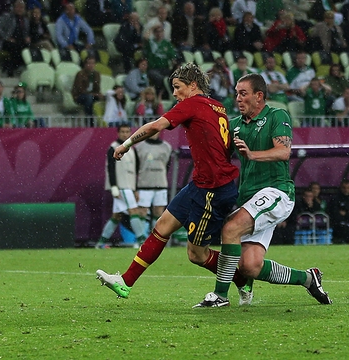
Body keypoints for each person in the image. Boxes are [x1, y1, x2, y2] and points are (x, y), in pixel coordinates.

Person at [96, 63, 245, 299]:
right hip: (201, 183)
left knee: (196, 254)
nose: (174, 94)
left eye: (177, 87)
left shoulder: (192, 104)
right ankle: (125, 282)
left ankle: (241, 278)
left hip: (212, 189)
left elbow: (156, 126)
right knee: (162, 226)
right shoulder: (218, 107)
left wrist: (125, 145)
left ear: (193, 86)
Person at [195, 73, 332, 307]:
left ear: (259, 96)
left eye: (243, 93)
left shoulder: (277, 115)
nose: (238, 98)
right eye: (236, 93)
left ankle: (220, 295)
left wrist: (251, 154)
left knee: (230, 228)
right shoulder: (234, 126)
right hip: (248, 200)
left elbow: (283, 151)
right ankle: (309, 278)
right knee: (250, 265)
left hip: (277, 193)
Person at [96, 123, 147, 249]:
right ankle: (142, 241)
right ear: (118, 133)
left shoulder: (132, 150)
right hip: (121, 186)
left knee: (117, 216)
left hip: (129, 186)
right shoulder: (113, 147)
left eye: (127, 131)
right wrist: (113, 186)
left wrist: (135, 189)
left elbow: (135, 171)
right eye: (123, 132)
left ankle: (101, 243)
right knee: (134, 211)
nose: (125, 134)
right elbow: (111, 168)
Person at [133, 130, 172, 236]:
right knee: (142, 212)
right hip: (144, 185)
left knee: (159, 213)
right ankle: (142, 239)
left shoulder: (167, 147)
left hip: (161, 184)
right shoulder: (139, 147)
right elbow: (136, 169)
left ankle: (155, 239)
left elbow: (167, 166)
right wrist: (135, 187)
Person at [0, 0, 30, 77]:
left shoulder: (25, 20)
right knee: (16, 48)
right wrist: (6, 37)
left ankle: (8, 66)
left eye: (22, 7)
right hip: (5, 41)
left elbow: (26, 33)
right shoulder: (7, 16)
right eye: (18, 7)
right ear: (14, 8)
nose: (19, 9)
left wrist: (27, 37)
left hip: (20, 41)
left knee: (28, 48)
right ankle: (10, 69)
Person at [72, 56, 103, 126]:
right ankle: (89, 123)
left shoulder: (96, 74)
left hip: (92, 95)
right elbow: (79, 89)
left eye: (93, 63)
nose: (91, 65)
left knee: (107, 97)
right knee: (89, 98)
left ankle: (107, 122)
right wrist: (93, 94)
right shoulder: (80, 74)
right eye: (89, 63)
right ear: (85, 64)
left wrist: (98, 94)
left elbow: (97, 89)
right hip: (80, 96)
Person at [328, 179, 349, 244]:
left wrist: (346, 214)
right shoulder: (336, 198)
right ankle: (341, 241)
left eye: (348, 188)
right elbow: (334, 211)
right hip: (338, 222)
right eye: (344, 188)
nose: (346, 190)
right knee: (342, 227)